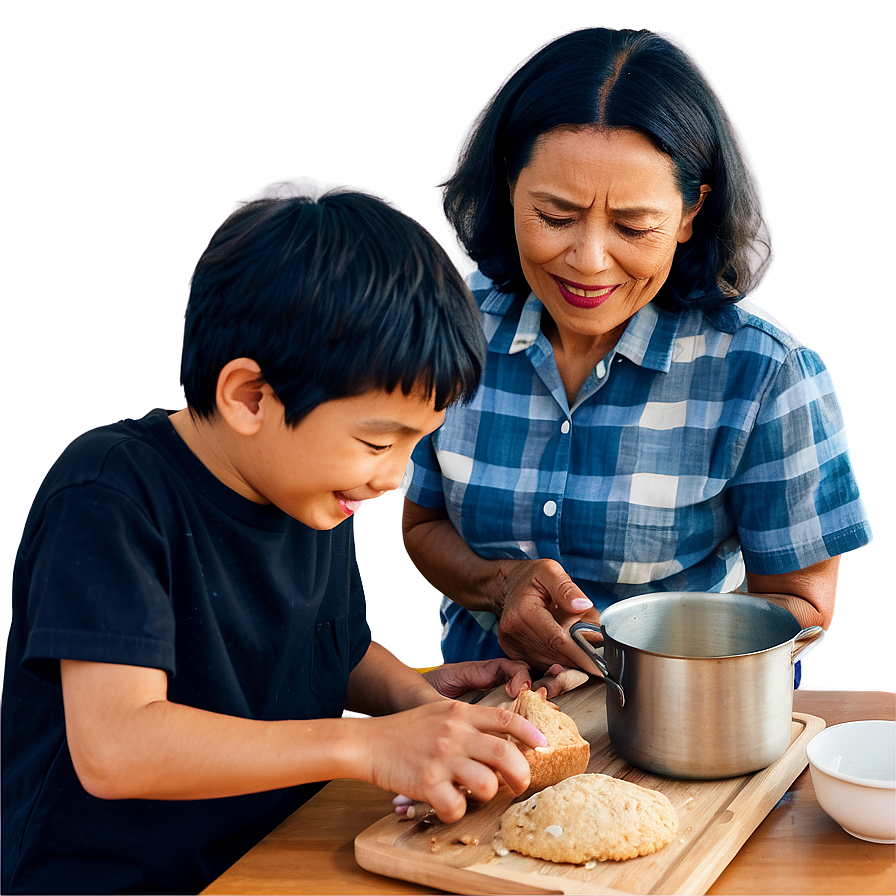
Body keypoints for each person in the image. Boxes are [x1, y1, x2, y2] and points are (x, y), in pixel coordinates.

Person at [0, 182, 554, 895]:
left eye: (416, 443)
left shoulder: (310, 488)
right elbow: (116, 747)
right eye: (379, 440)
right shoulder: (109, 494)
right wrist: (366, 743)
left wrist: (421, 708)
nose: (397, 476)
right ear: (250, 398)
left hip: (264, 859)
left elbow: (336, 650)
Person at [401, 27, 873, 674]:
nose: (589, 261)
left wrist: (645, 660)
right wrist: (500, 585)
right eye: (556, 216)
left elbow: (802, 601)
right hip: (491, 707)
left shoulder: (764, 374)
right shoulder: (448, 326)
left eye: (634, 226)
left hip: (694, 725)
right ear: (510, 185)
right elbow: (420, 529)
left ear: (688, 214)